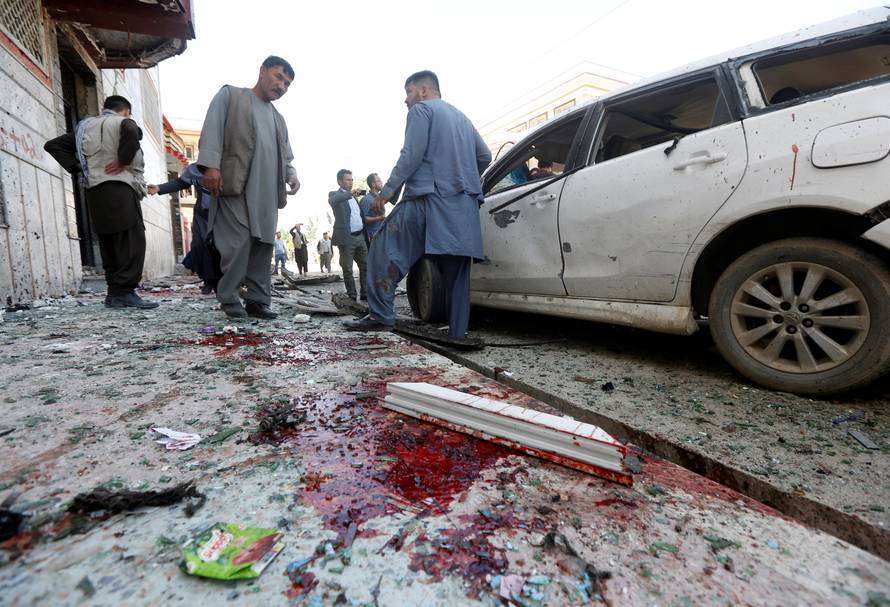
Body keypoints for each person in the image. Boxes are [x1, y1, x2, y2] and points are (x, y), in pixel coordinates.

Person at [345, 71, 491, 336]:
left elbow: (411, 155)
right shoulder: (463, 119)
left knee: (382, 247)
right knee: (457, 271)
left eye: (408, 92)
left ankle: (380, 315)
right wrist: (462, 178)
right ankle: (458, 332)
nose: (406, 100)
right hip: (464, 205)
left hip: (429, 198)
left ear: (423, 91)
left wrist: (386, 193)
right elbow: (485, 156)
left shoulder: (421, 110)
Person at [196, 55, 300, 320]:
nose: (282, 86)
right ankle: (229, 298)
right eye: (279, 77)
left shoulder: (279, 119)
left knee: (263, 245)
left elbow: (287, 156)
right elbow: (212, 129)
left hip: (267, 191)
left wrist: (292, 175)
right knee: (237, 243)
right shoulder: (231, 96)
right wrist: (210, 166)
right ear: (262, 71)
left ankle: (258, 301)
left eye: (287, 84)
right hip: (235, 184)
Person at [44, 95, 159, 309]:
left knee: (109, 243)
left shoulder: (84, 129)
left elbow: (53, 145)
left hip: (94, 190)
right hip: (120, 189)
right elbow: (133, 132)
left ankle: (114, 294)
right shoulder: (124, 122)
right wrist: (123, 160)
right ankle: (125, 292)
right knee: (131, 240)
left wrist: (79, 166)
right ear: (125, 110)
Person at [148, 163, 220, 294]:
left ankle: (224, 282)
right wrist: (159, 188)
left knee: (221, 247)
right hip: (203, 215)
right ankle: (209, 281)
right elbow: (180, 183)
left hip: (224, 214)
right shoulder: (195, 169)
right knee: (200, 245)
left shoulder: (228, 163)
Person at [328, 169, 368, 301]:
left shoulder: (354, 197)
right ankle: (351, 296)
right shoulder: (335, 194)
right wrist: (350, 193)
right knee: (348, 269)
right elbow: (333, 200)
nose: (351, 182)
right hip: (347, 238)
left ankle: (365, 293)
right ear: (340, 181)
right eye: (348, 179)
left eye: (352, 179)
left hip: (360, 237)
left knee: (366, 266)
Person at [359, 173, 386, 246]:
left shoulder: (380, 198)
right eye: (379, 181)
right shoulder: (366, 200)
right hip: (372, 238)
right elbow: (363, 219)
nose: (381, 182)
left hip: (381, 235)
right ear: (373, 184)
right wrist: (379, 218)